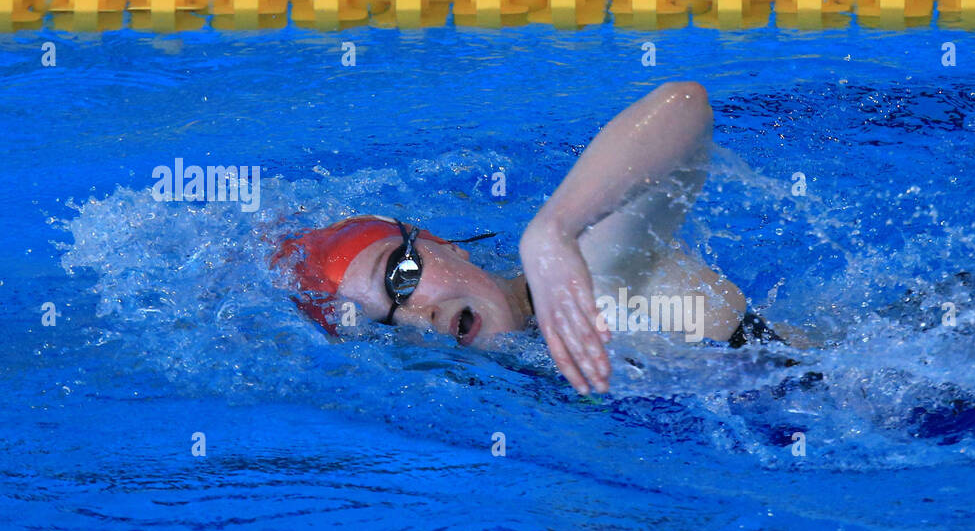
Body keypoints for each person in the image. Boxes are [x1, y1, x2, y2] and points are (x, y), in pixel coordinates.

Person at [273, 81, 793, 395]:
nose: (418, 319)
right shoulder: (528, 367)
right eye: (383, 325)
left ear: (442, 244)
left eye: (402, 277)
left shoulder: (588, 275)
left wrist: (553, 231)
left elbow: (685, 105)